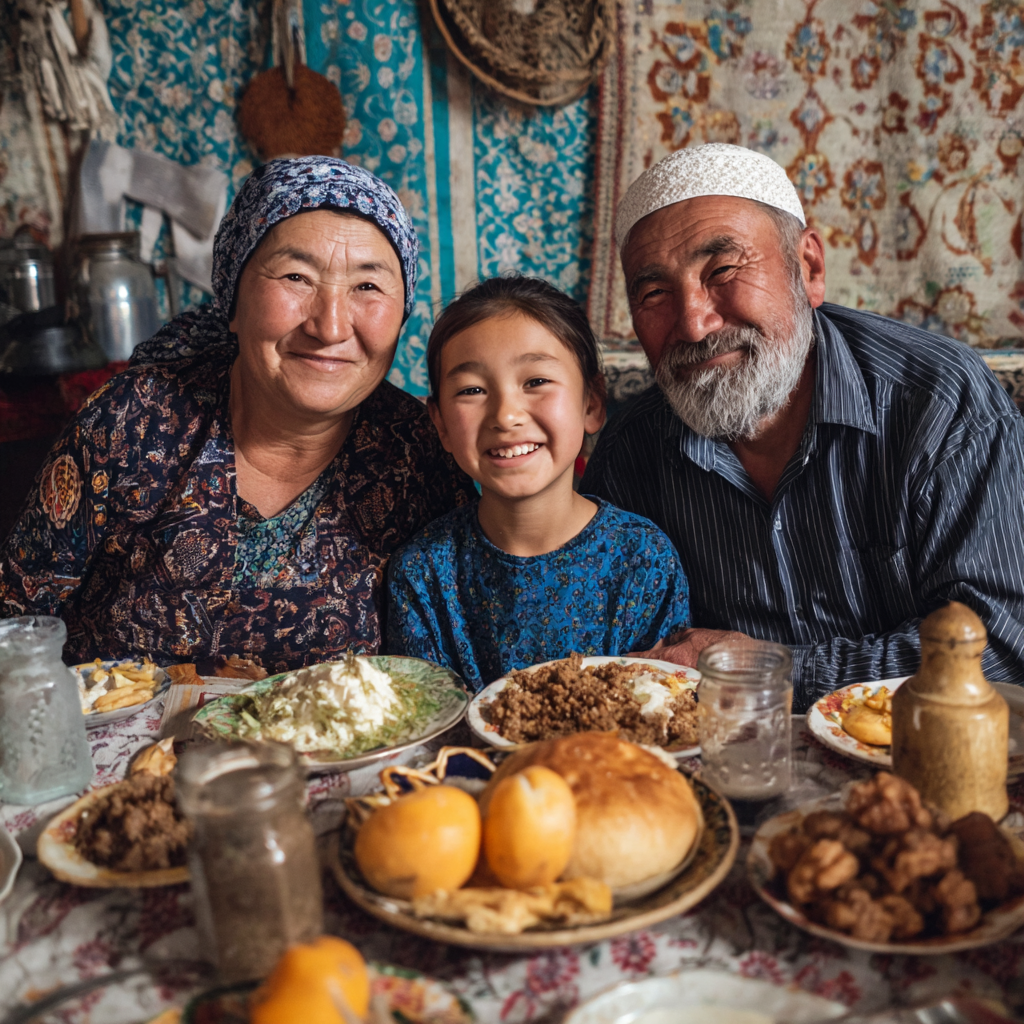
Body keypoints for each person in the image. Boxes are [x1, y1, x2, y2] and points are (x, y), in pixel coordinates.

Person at [582, 142, 1024, 711]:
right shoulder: (632, 451)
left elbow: (1003, 649)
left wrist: (773, 670)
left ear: (808, 267)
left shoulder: (938, 402)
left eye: (723, 270)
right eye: (654, 293)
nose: (692, 324)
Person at [0, 158, 475, 671]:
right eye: (297, 276)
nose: (330, 326)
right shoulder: (130, 421)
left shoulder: (416, 451)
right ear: (232, 297)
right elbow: (13, 630)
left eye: (367, 287)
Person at [386, 276, 691, 691]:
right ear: (439, 423)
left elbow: (662, 710)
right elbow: (427, 726)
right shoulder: (423, 572)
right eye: (472, 389)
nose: (506, 415)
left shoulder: (642, 558)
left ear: (592, 403)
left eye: (536, 382)